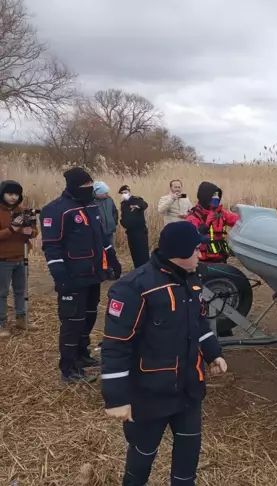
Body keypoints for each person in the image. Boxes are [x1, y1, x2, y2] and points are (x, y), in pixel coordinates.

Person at [100, 221, 228, 486]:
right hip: (149, 396)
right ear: (180, 253)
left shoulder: (192, 279)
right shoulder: (134, 288)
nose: (200, 254)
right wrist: (116, 398)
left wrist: (213, 353)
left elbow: (199, 323)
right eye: (196, 249)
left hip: (190, 390)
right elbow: (116, 344)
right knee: (142, 455)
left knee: (188, 454)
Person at [41, 167, 121, 383]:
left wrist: (112, 259)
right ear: (74, 186)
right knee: (72, 322)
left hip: (93, 275)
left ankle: (82, 354)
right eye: (86, 186)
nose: (89, 189)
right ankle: (68, 368)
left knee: (89, 316)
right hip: (72, 277)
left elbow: (102, 237)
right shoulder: (56, 210)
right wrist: (61, 277)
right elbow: (51, 247)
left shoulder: (91, 206)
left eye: (91, 186)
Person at [0, 180, 40, 337]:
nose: (13, 197)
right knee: (2, 292)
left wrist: (31, 231)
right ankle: (1, 323)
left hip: (21, 257)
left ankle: (21, 318)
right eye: (10, 194)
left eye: (16, 194)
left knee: (21, 290)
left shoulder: (23, 211)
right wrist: (11, 229)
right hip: (3, 259)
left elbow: (35, 231)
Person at [185, 181, 239, 264]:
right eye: (214, 195)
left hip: (221, 259)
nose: (217, 198)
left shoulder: (222, 213)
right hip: (201, 262)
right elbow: (190, 238)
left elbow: (237, 220)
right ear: (205, 196)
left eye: (218, 195)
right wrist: (205, 225)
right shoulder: (193, 216)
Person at [118, 185, 150, 268]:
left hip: (140, 231)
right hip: (131, 232)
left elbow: (144, 205)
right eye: (122, 193)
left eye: (125, 192)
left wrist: (137, 206)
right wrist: (123, 223)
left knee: (143, 253)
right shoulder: (123, 204)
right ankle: (137, 269)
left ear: (129, 192)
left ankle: (145, 269)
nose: (124, 194)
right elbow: (124, 216)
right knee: (134, 253)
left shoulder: (137, 199)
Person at [93, 182, 119, 247]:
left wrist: (114, 222)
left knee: (111, 250)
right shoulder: (91, 202)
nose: (107, 194)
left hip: (110, 231)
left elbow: (114, 212)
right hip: (98, 233)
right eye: (105, 193)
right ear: (98, 194)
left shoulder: (109, 199)